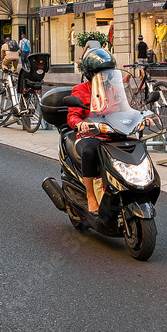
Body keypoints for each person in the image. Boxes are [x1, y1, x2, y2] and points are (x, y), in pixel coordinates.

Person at [66, 47, 117, 214]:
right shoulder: (80, 90)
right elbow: (72, 115)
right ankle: (90, 195)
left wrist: (143, 117)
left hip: (113, 134)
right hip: (90, 135)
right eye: (100, 72)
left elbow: (127, 108)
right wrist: (80, 123)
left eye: (108, 72)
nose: (105, 76)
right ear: (90, 73)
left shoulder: (114, 89)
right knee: (90, 151)